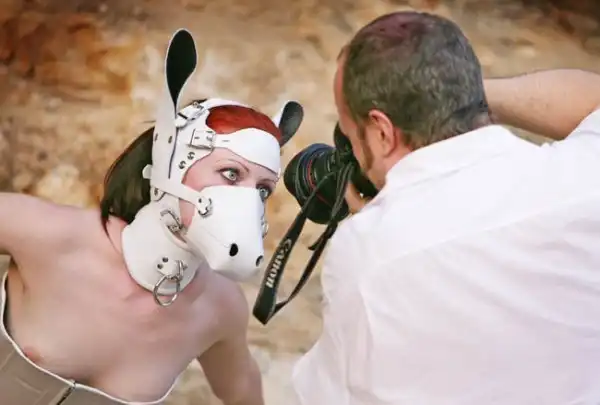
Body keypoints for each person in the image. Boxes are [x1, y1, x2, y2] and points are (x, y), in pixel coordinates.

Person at [291, 11, 600, 405]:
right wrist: (452, 96)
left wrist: (374, 225)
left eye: (350, 135)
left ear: (383, 132)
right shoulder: (584, 178)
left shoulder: (364, 257)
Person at [0, 29, 303, 405]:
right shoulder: (44, 234)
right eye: (230, 173)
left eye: (263, 189)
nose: (248, 200)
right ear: (170, 159)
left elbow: (245, 396)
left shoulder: (219, 308)